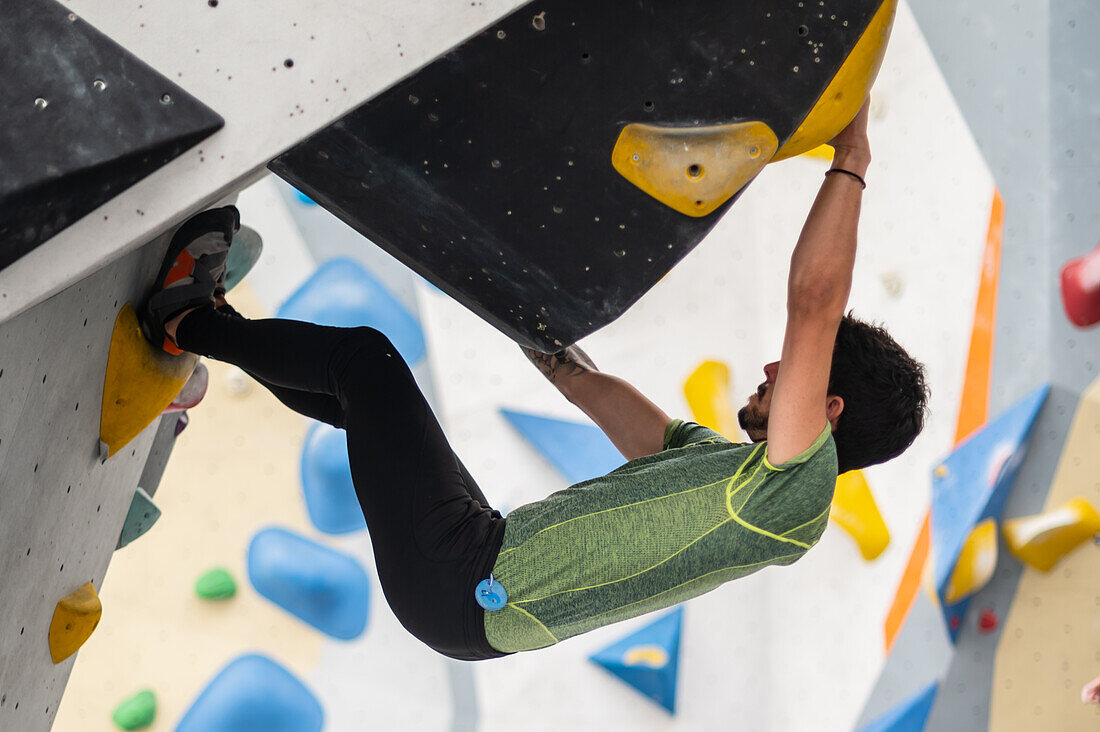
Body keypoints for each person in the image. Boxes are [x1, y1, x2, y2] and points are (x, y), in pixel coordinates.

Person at [140, 97, 927, 661]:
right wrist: (527, 320)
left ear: (826, 407)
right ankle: (205, 328)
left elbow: (814, 302)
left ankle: (184, 320)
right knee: (359, 399)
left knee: (365, 362)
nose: (769, 368)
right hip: (473, 567)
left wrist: (850, 160)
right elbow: (586, 387)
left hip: (470, 582)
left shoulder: (795, 497)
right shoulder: (722, 474)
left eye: (789, 373)